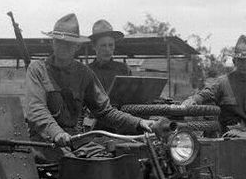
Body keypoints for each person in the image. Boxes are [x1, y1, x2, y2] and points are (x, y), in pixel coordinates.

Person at [25, 13, 154, 161]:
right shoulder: (37, 69)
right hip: (44, 141)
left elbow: (105, 111)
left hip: (74, 140)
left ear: (77, 46)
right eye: (59, 42)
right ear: (52, 43)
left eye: (69, 43)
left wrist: (139, 122)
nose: (63, 47)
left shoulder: (84, 73)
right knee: (76, 165)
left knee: (108, 161)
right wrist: (57, 133)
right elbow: (36, 110)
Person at [87, 19, 131, 93]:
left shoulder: (123, 70)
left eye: (110, 45)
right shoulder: (86, 72)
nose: (107, 49)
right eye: (103, 45)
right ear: (94, 46)